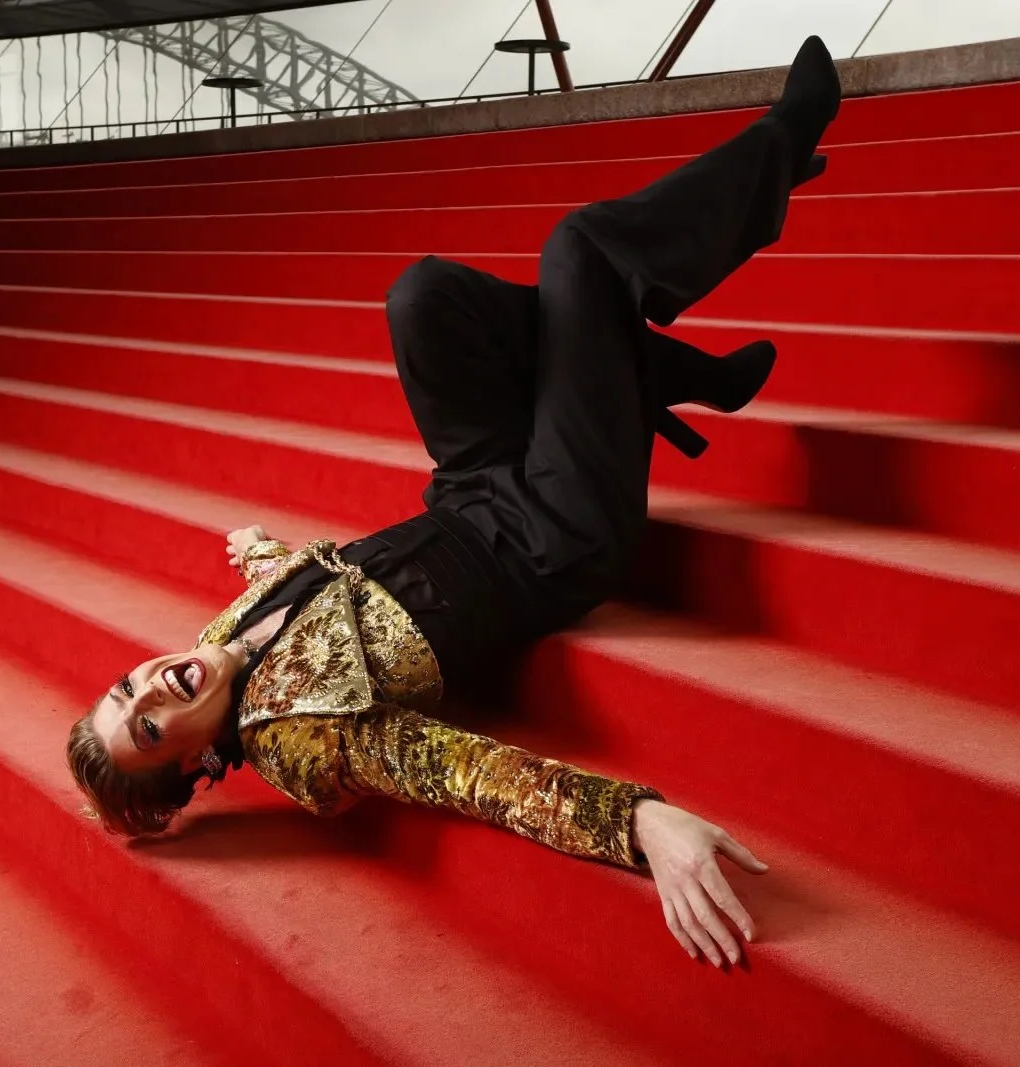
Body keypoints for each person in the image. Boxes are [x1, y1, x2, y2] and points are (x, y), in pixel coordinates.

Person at [67, 36, 843, 970]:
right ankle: (780, 149)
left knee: (425, 299)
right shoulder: (305, 744)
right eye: (149, 729)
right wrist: (641, 821)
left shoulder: (217, 639)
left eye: (126, 689)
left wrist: (259, 550)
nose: (151, 690)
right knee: (582, 250)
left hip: (470, 486)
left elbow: (299, 595)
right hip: (552, 534)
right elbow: (470, 775)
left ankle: (651, 369)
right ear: (197, 763)